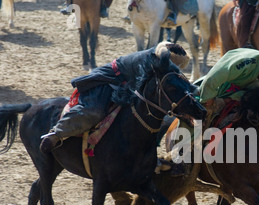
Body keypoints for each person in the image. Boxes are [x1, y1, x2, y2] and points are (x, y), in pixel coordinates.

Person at [40, 42, 190, 153]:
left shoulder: (160, 62)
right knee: (94, 111)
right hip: (108, 81)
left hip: (126, 87)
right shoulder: (150, 63)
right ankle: (57, 133)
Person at [197, 44, 259, 115]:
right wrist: (207, 99)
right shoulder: (245, 63)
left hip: (237, 95)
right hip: (216, 85)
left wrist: (229, 99)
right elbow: (214, 77)